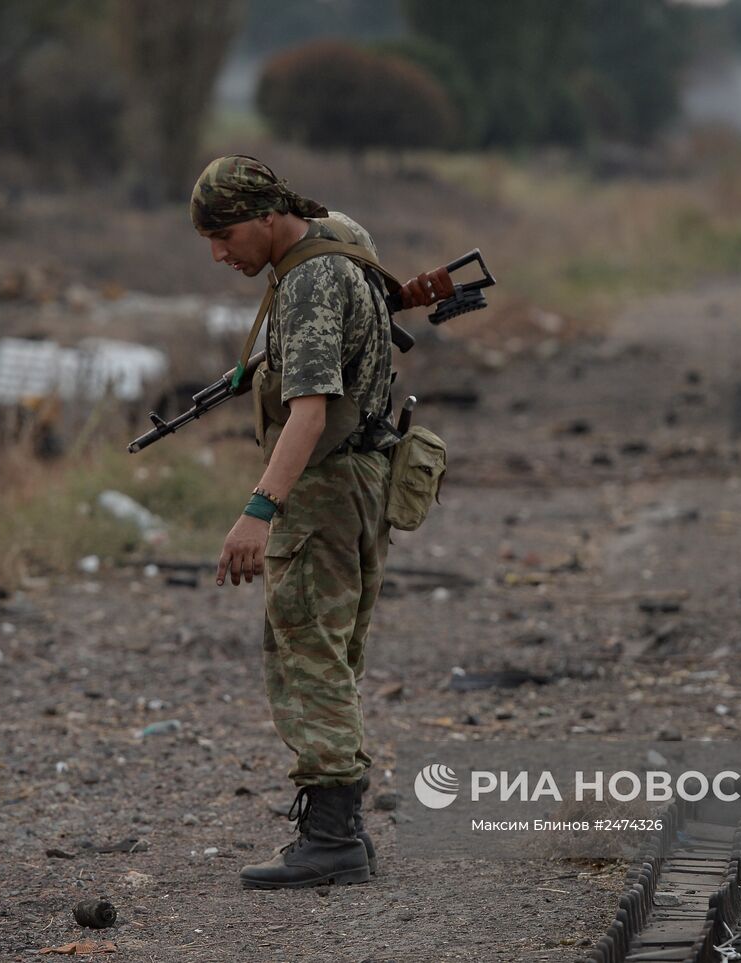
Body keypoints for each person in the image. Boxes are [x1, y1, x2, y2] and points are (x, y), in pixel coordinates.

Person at [191, 155, 441, 889]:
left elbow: (308, 414)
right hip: (369, 477)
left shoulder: (305, 283)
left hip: (324, 487)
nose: (219, 254)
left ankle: (331, 838)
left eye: (227, 235)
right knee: (335, 649)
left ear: (269, 217)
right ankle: (345, 830)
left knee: (307, 652)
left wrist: (258, 510)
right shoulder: (340, 233)